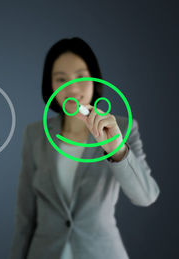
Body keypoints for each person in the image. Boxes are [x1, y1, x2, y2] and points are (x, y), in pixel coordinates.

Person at [10, 37, 160, 259]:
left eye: (81, 76)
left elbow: (146, 196)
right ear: (49, 86)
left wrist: (117, 150)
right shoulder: (34, 135)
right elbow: (25, 216)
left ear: (95, 79)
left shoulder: (124, 127)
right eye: (61, 79)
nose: (72, 88)